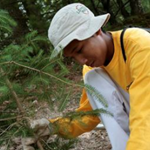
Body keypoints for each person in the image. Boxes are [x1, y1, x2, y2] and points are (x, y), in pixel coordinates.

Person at [31, 3, 150, 150]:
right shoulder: (91, 69)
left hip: (145, 122)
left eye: (80, 50)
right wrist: (52, 126)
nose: (81, 61)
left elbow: (145, 113)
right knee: (92, 77)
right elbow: (90, 114)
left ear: (96, 30)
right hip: (142, 132)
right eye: (72, 57)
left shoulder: (139, 45)